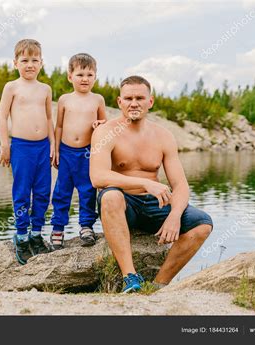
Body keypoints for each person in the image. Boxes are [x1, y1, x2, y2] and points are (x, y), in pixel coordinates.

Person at [90, 75, 213, 293]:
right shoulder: (106, 131)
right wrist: (145, 183)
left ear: (150, 102)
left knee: (202, 223)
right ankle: (130, 277)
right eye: (128, 98)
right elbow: (98, 177)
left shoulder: (163, 136)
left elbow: (181, 185)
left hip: (155, 204)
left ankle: (158, 284)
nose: (134, 103)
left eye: (140, 98)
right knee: (109, 196)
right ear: (119, 102)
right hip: (123, 205)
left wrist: (174, 216)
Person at [0, 39, 55, 265]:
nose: (30, 64)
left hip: (43, 147)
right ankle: (21, 236)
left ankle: (36, 234)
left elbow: (50, 118)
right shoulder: (12, 87)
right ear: (15, 63)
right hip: (21, 147)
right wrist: (5, 144)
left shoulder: (45, 89)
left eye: (34, 60)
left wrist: (53, 144)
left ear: (41, 63)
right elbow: (2, 116)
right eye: (25, 60)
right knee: (22, 192)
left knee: (42, 192)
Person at [50, 53, 107, 250]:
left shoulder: (97, 99)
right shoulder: (65, 100)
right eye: (80, 74)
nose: (85, 79)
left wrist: (101, 124)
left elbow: (104, 124)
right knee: (61, 191)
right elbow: (58, 126)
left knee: (87, 190)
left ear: (95, 77)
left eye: (90, 75)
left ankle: (86, 227)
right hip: (65, 152)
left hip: (87, 153)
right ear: (70, 76)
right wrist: (56, 149)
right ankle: (58, 229)